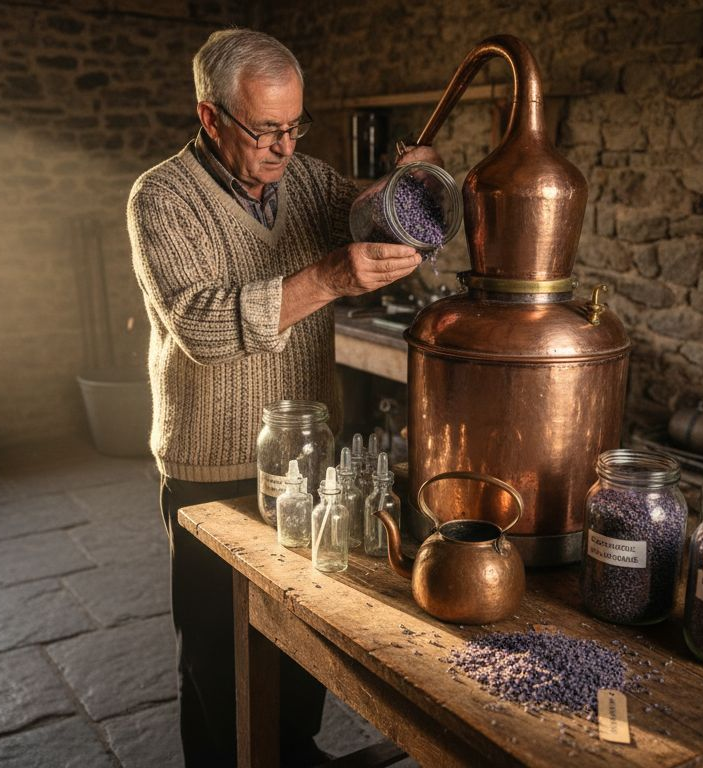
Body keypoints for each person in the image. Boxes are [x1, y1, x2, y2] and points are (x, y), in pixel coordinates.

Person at [126, 27, 438, 767]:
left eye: (296, 126)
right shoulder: (162, 199)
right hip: (213, 465)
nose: (285, 147)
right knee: (215, 652)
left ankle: (286, 749)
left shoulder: (305, 179)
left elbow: (362, 209)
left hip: (306, 456)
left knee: (299, 642)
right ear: (210, 118)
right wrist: (329, 277)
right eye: (266, 129)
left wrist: (405, 190)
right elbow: (200, 325)